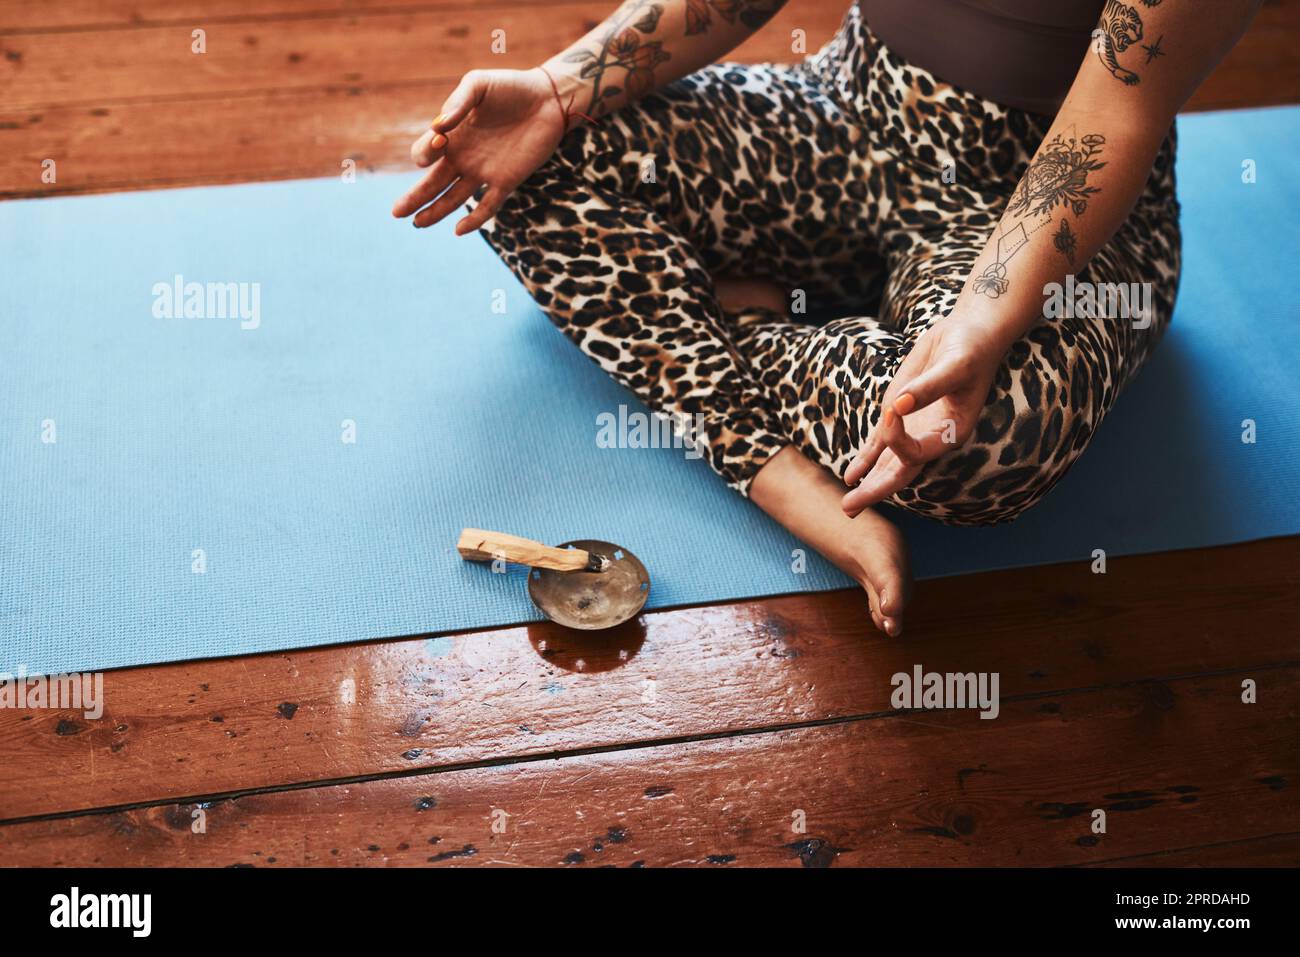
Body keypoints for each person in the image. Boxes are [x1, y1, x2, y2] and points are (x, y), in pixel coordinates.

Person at [393, 0, 1261, 635]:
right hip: (855, 110)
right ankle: (768, 464)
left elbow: (1115, 112)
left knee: (989, 434)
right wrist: (557, 87)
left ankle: (738, 327)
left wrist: (980, 323)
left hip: (1039, 201)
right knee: (528, 159)